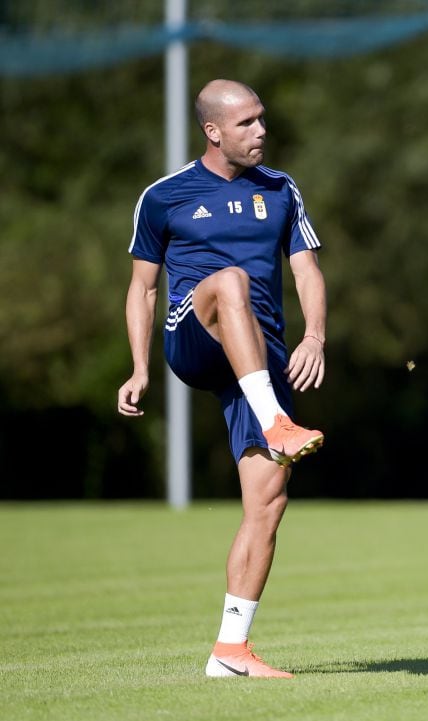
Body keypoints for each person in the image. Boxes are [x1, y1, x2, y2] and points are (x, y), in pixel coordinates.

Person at [117, 79, 327, 679]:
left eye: (262, 120)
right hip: (194, 337)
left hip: (258, 361)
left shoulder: (281, 189)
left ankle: (230, 652)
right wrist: (138, 368)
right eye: (246, 124)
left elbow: (307, 269)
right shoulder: (164, 197)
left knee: (268, 503)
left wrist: (313, 337)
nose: (261, 131)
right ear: (213, 132)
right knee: (230, 280)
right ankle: (278, 420)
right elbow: (143, 288)